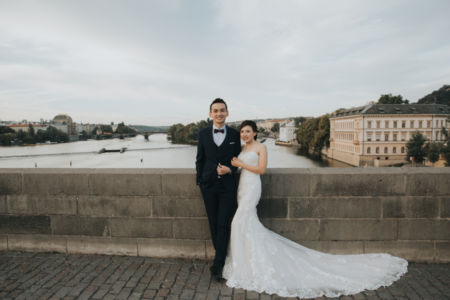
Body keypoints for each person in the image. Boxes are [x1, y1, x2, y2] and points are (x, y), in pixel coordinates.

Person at [223, 120, 408, 298]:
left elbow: (261, 170)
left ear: (255, 132)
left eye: (248, 131)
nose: (244, 134)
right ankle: (246, 263)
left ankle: (250, 264)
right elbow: (239, 168)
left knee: (239, 221)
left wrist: (241, 164)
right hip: (243, 186)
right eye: (242, 132)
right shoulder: (243, 148)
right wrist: (230, 168)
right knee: (245, 223)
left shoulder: (260, 147)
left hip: (253, 187)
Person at [196, 98, 241, 282]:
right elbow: (200, 159)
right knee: (213, 223)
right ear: (210, 114)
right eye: (215, 111)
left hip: (227, 187)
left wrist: (231, 169)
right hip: (208, 186)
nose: (219, 113)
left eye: (222, 110)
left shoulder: (234, 134)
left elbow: (238, 159)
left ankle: (218, 264)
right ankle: (220, 255)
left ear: (227, 113)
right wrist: (200, 181)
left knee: (223, 224)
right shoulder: (203, 134)